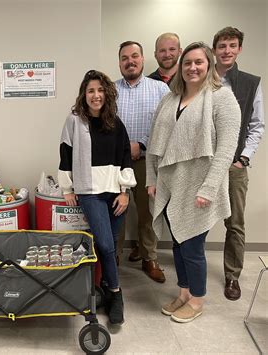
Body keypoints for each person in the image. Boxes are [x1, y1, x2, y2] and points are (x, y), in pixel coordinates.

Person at [146, 42, 241, 323]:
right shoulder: (170, 98)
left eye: (199, 62)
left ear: (209, 65)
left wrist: (209, 188)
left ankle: (197, 299)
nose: (192, 67)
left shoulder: (221, 97)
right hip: (171, 185)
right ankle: (184, 292)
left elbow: (226, 148)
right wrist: (152, 179)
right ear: (181, 67)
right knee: (176, 244)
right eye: (187, 63)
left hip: (199, 186)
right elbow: (155, 142)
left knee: (192, 247)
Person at [58, 70, 136, 325]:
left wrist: (125, 192)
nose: (96, 95)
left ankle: (105, 289)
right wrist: (67, 188)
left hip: (115, 193)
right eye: (91, 90)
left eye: (100, 90)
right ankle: (116, 293)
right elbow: (65, 155)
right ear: (84, 94)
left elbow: (125, 156)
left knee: (110, 246)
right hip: (89, 192)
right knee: (104, 244)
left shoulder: (115, 121)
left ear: (107, 94)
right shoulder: (74, 121)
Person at [212, 27, 265, 301]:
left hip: (233, 165)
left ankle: (232, 276)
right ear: (215, 50)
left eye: (232, 45)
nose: (227, 50)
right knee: (196, 220)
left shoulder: (250, 83)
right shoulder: (203, 80)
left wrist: (244, 158)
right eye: (222, 46)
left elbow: (257, 125)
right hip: (206, 165)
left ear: (239, 49)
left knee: (235, 224)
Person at [115, 41, 169, 282]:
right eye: (125, 57)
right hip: (116, 163)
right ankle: (113, 258)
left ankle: (149, 257)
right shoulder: (110, 90)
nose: (130, 61)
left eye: (134, 56)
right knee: (116, 211)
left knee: (148, 212)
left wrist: (142, 145)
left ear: (143, 58)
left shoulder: (160, 89)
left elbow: (167, 126)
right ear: (119, 63)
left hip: (148, 161)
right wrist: (124, 148)